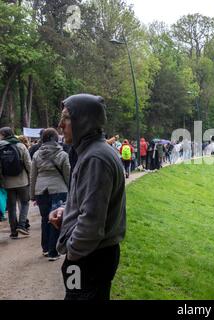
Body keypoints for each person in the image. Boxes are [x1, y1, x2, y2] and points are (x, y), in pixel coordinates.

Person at [49, 93, 126, 300]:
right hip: (92, 255)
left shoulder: (95, 158)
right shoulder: (93, 153)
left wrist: (73, 252)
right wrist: (67, 212)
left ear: (83, 121)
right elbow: (90, 204)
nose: (60, 125)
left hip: (89, 258)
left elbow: (92, 222)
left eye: (66, 118)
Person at [30, 128, 70, 261]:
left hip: (41, 190)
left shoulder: (36, 155)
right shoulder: (62, 154)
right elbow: (67, 175)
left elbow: (33, 176)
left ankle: (45, 248)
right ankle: (54, 251)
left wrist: (32, 194)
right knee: (56, 220)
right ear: (56, 139)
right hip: (58, 189)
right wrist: (71, 190)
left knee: (44, 219)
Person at [0, 127, 32, 238]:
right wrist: (30, 178)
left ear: (3, 134)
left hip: (7, 182)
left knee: (11, 206)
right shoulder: (21, 146)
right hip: (22, 181)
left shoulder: (0, 147)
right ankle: (22, 225)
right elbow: (28, 164)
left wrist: (2, 181)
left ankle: (13, 232)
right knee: (25, 203)